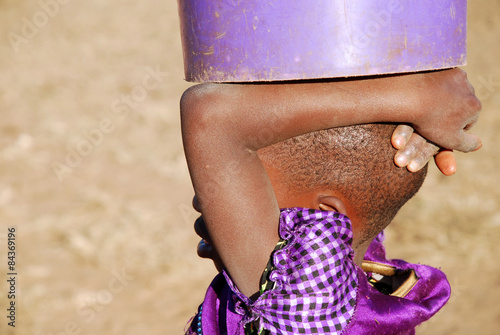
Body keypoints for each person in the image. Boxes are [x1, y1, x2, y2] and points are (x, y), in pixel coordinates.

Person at [181, 69, 481, 334]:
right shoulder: (347, 273)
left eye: (248, 178)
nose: (214, 193)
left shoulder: (309, 298)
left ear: (322, 223)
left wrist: (415, 99)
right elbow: (368, 182)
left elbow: (209, 112)